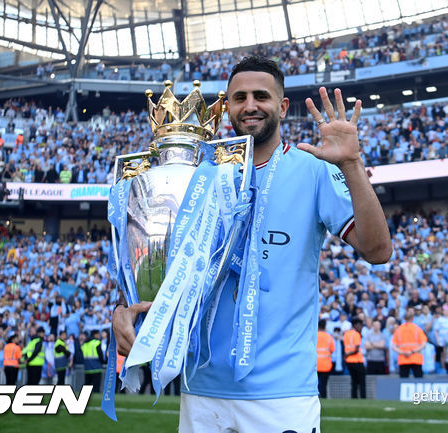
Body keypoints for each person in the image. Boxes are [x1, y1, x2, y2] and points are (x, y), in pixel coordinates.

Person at [112, 56, 391, 432]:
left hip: (283, 393)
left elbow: (378, 251)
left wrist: (352, 163)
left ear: (283, 106)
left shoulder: (313, 168)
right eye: (239, 97)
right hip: (203, 389)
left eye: (261, 96)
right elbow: (161, 263)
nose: (250, 105)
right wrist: (126, 309)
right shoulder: (199, 176)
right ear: (226, 107)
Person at [391, 309, 427, 378]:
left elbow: (393, 346)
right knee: (418, 381)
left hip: (403, 359)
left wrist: (403, 352)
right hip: (416, 358)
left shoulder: (399, 330)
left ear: (404, 318)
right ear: (413, 318)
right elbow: (423, 344)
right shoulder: (417, 329)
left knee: (403, 382)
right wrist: (412, 351)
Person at [344, 318, 366, 398]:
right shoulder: (356, 334)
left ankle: (354, 397)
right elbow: (356, 349)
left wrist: (346, 355)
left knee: (354, 382)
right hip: (357, 361)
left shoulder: (346, 334)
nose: (361, 327)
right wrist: (349, 353)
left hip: (349, 361)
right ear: (356, 325)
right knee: (362, 382)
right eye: (360, 325)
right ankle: (363, 398)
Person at [316, 319, 335, 399]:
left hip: (315, 364)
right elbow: (332, 349)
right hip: (325, 365)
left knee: (314, 384)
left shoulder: (314, 336)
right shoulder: (329, 337)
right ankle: (323, 398)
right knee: (324, 384)